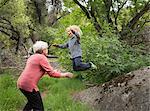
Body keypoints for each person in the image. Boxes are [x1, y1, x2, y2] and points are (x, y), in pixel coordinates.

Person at [17, 41, 73, 111]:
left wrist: (53, 71)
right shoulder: (42, 57)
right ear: (43, 50)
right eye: (46, 48)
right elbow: (51, 74)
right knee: (39, 108)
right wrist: (65, 74)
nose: (47, 50)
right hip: (29, 85)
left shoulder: (33, 57)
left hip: (21, 83)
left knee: (32, 102)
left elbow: (37, 71)